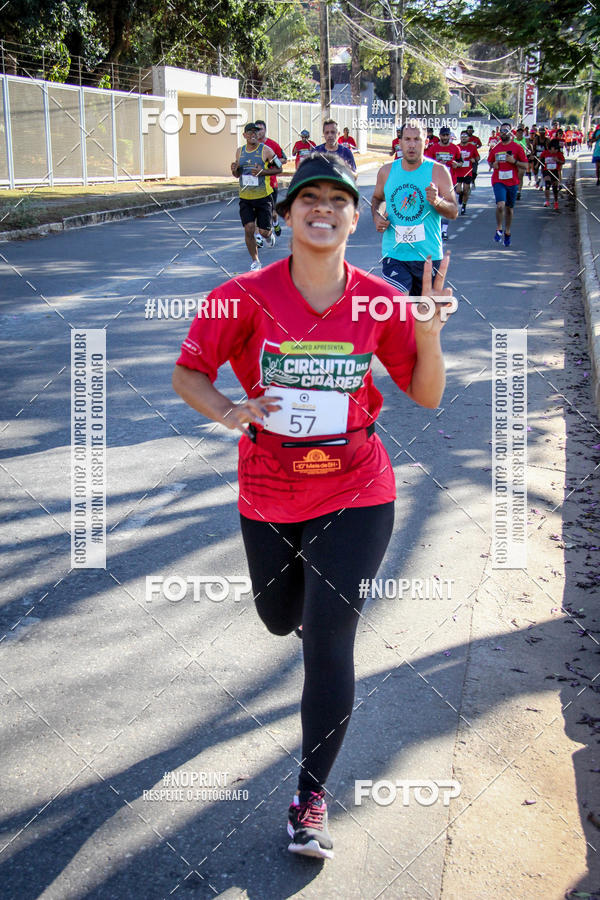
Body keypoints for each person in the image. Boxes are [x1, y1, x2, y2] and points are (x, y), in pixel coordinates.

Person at [172, 152, 454, 861]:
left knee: (330, 644)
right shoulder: (241, 296)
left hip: (357, 488)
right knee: (279, 618)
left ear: (357, 218)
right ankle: (305, 614)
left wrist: (427, 334)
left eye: (337, 199)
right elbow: (189, 372)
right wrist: (230, 411)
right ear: (288, 213)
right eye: (309, 198)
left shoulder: (379, 300)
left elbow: (426, 395)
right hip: (269, 488)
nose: (323, 208)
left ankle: (309, 801)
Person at [371, 120, 458, 293]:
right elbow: (377, 199)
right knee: (399, 302)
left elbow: (453, 212)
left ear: (426, 142)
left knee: (424, 308)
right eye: (407, 139)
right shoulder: (386, 172)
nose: (412, 145)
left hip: (428, 256)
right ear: (400, 142)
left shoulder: (439, 171)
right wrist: (377, 215)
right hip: (395, 254)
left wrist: (437, 201)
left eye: (417, 139)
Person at [230, 122, 281, 271]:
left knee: (263, 232)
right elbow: (238, 174)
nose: (253, 134)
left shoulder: (266, 150)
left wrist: (262, 172)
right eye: (250, 132)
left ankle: (269, 235)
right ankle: (255, 261)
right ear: (244, 135)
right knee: (249, 228)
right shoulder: (240, 151)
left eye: (255, 132)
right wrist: (234, 170)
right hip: (245, 197)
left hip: (263, 197)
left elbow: (279, 168)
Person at [487, 122, 528, 247]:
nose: (503, 133)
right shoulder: (496, 148)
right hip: (498, 180)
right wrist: (493, 165)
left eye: (506, 130)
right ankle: (499, 228)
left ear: (511, 133)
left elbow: (525, 165)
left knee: (509, 209)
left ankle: (508, 232)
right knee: (500, 205)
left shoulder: (517, 148)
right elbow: (490, 162)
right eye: (502, 131)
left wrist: (514, 161)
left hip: (512, 182)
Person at [424, 126, 461, 240]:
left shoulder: (455, 148)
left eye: (447, 135)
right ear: (439, 135)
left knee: (447, 205)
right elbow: (427, 163)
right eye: (443, 135)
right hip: (435, 182)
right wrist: (437, 163)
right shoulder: (434, 148)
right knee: (434, 206)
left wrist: (457, 164)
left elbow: (460, 162)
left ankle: (444, 230)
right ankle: (434, 229)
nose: (445, 137)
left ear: (450, 136)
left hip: (450, 181)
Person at [255, 119, 287, 237]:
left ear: (265, 130)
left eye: (260, 129)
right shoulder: (252, 145)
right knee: (257, 211)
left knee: (272, 212)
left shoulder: (272, 145)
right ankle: (258, 236)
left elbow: (284, 159)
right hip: (256, 184)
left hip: (271, 183)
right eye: (256, 129)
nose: (258, 132)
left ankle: (275, 222)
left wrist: (271, 162)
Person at [454, 130, 479, 214]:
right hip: (458, 171)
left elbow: (478, 158)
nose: (463, 138)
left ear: (468, 138)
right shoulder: (456, 147)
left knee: (466, 189)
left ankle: (464, 206)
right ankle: (461, 195)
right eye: (462, 136)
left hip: (468, 171)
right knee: (458, 190)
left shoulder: (472, 147)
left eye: (465, 137)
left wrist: (474, 159)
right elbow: (453, 157)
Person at [540, 138, 565, 210]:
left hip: (555, 171)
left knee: (554, 187)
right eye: (555, 149)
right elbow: (540, 159)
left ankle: (556, 202)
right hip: (547, 171)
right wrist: (540, 167)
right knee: (547, 184)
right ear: (551, 148)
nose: (556, 150)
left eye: (557, 149)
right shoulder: (545, 152)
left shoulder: (559, 154)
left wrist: (558, 160)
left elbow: (563, 162)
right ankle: (547, 201)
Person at [513, 125, 528, 199]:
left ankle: (519, 191)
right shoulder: (513, 140)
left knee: (520, 176)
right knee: (514, 176)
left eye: (521, 132)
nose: (520, 133)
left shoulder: (526, 140)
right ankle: (514, 190)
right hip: (514, 160)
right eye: (518, 132)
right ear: (516, 133)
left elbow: (530, 148)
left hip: (522, 160)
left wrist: (530, 153)